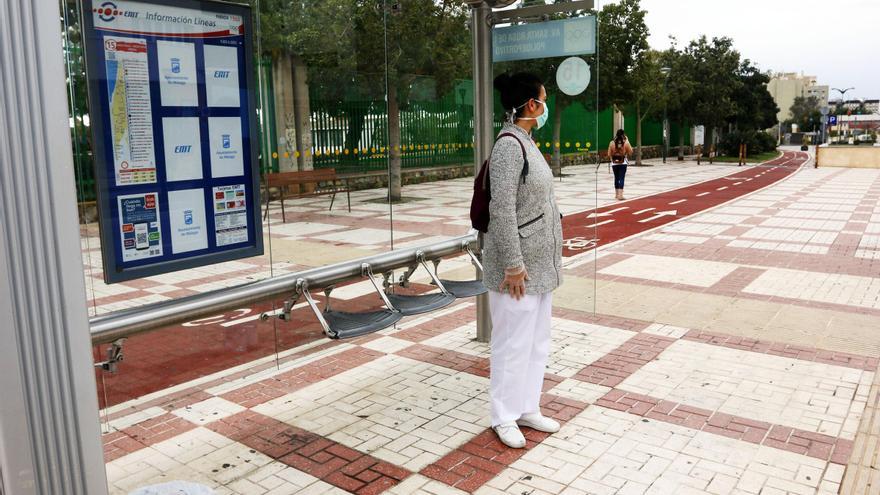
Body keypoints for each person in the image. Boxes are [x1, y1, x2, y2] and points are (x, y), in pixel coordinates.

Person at [482, 72, 564, 449]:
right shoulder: (508, 147)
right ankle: (503, 415)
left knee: (536, 343)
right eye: (544, 100)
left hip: (540, 266)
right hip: (517, 269)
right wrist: (513, 265)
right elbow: (501, 211)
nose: (546, 106)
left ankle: (527, 406)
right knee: (511, 343)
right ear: (532, 105)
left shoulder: (527, 142)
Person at [608, 129, 633, 200]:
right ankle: (620, 195)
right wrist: (627, 140)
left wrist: (612, 160)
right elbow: (631, 152)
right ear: (623, 135)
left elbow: (609, 154)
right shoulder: (626, 143)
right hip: (623, 163)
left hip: (614, 163)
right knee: (621, 178)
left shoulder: (611, 143)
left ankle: (616, 195)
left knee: (616, 178)